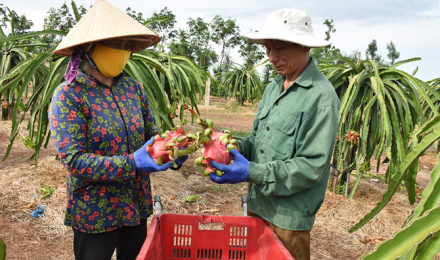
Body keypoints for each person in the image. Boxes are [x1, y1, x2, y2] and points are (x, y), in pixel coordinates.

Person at [49, 1, 187, 259]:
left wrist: (172, 150)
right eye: (115, 44)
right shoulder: (70, 94)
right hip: (95, 209)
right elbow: (74, 160)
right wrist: (132, 162)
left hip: (135, 204)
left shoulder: (133, 88)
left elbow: (150, 137)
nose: (123, 52)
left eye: (127, 47)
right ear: (89, 48)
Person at [209, 9, 340, 260]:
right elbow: (258, 141)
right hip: (259, 206)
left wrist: (251, 172)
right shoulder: (273, 88)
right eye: (268, 49)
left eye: (279, 48)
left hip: (289, 219)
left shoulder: (321, 97)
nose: (271, 57)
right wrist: (230, 145)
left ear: (304, 47)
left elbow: (312, 166)